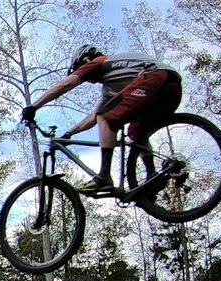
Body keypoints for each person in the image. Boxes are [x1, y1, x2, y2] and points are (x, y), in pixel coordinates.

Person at [21, 44, 183, 192]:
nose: (88, 80)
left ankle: (104, 176)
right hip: (171, 89)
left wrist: (34, 107)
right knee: (135, 133)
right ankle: (152, 177)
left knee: (106, 118)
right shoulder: (113, 83)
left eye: (79, 68)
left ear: (85, 59)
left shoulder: (98, 62)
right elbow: (93, 117)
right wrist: (68, 135)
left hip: (155, 77)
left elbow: (65, 85)